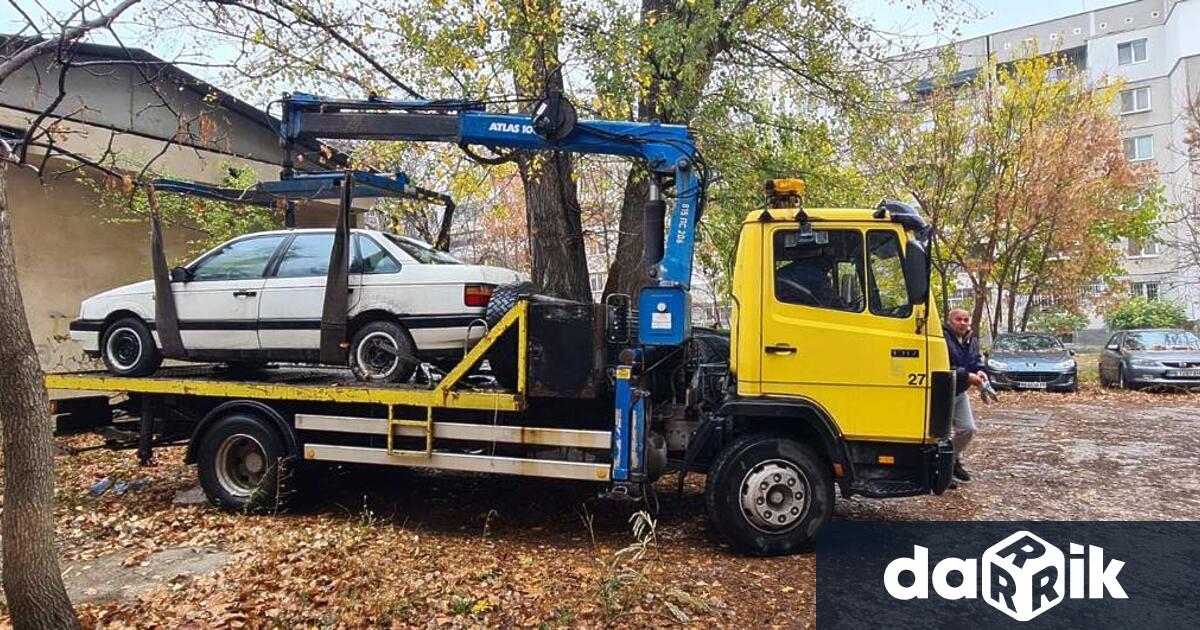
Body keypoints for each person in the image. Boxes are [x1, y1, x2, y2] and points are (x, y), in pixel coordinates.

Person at [943, 308, 985, 486]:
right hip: (942, 392)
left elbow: (976, 361)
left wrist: (981, 371)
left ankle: (952, 461)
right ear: (950, 321)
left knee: (967, 429)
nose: (962, 323)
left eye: (966, 320)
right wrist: (967, 376)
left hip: (960, 392)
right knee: (940, 435)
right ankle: (943, 472)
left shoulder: (971, 339)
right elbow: (944, 366)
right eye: (958, 319)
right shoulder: (942, 338)